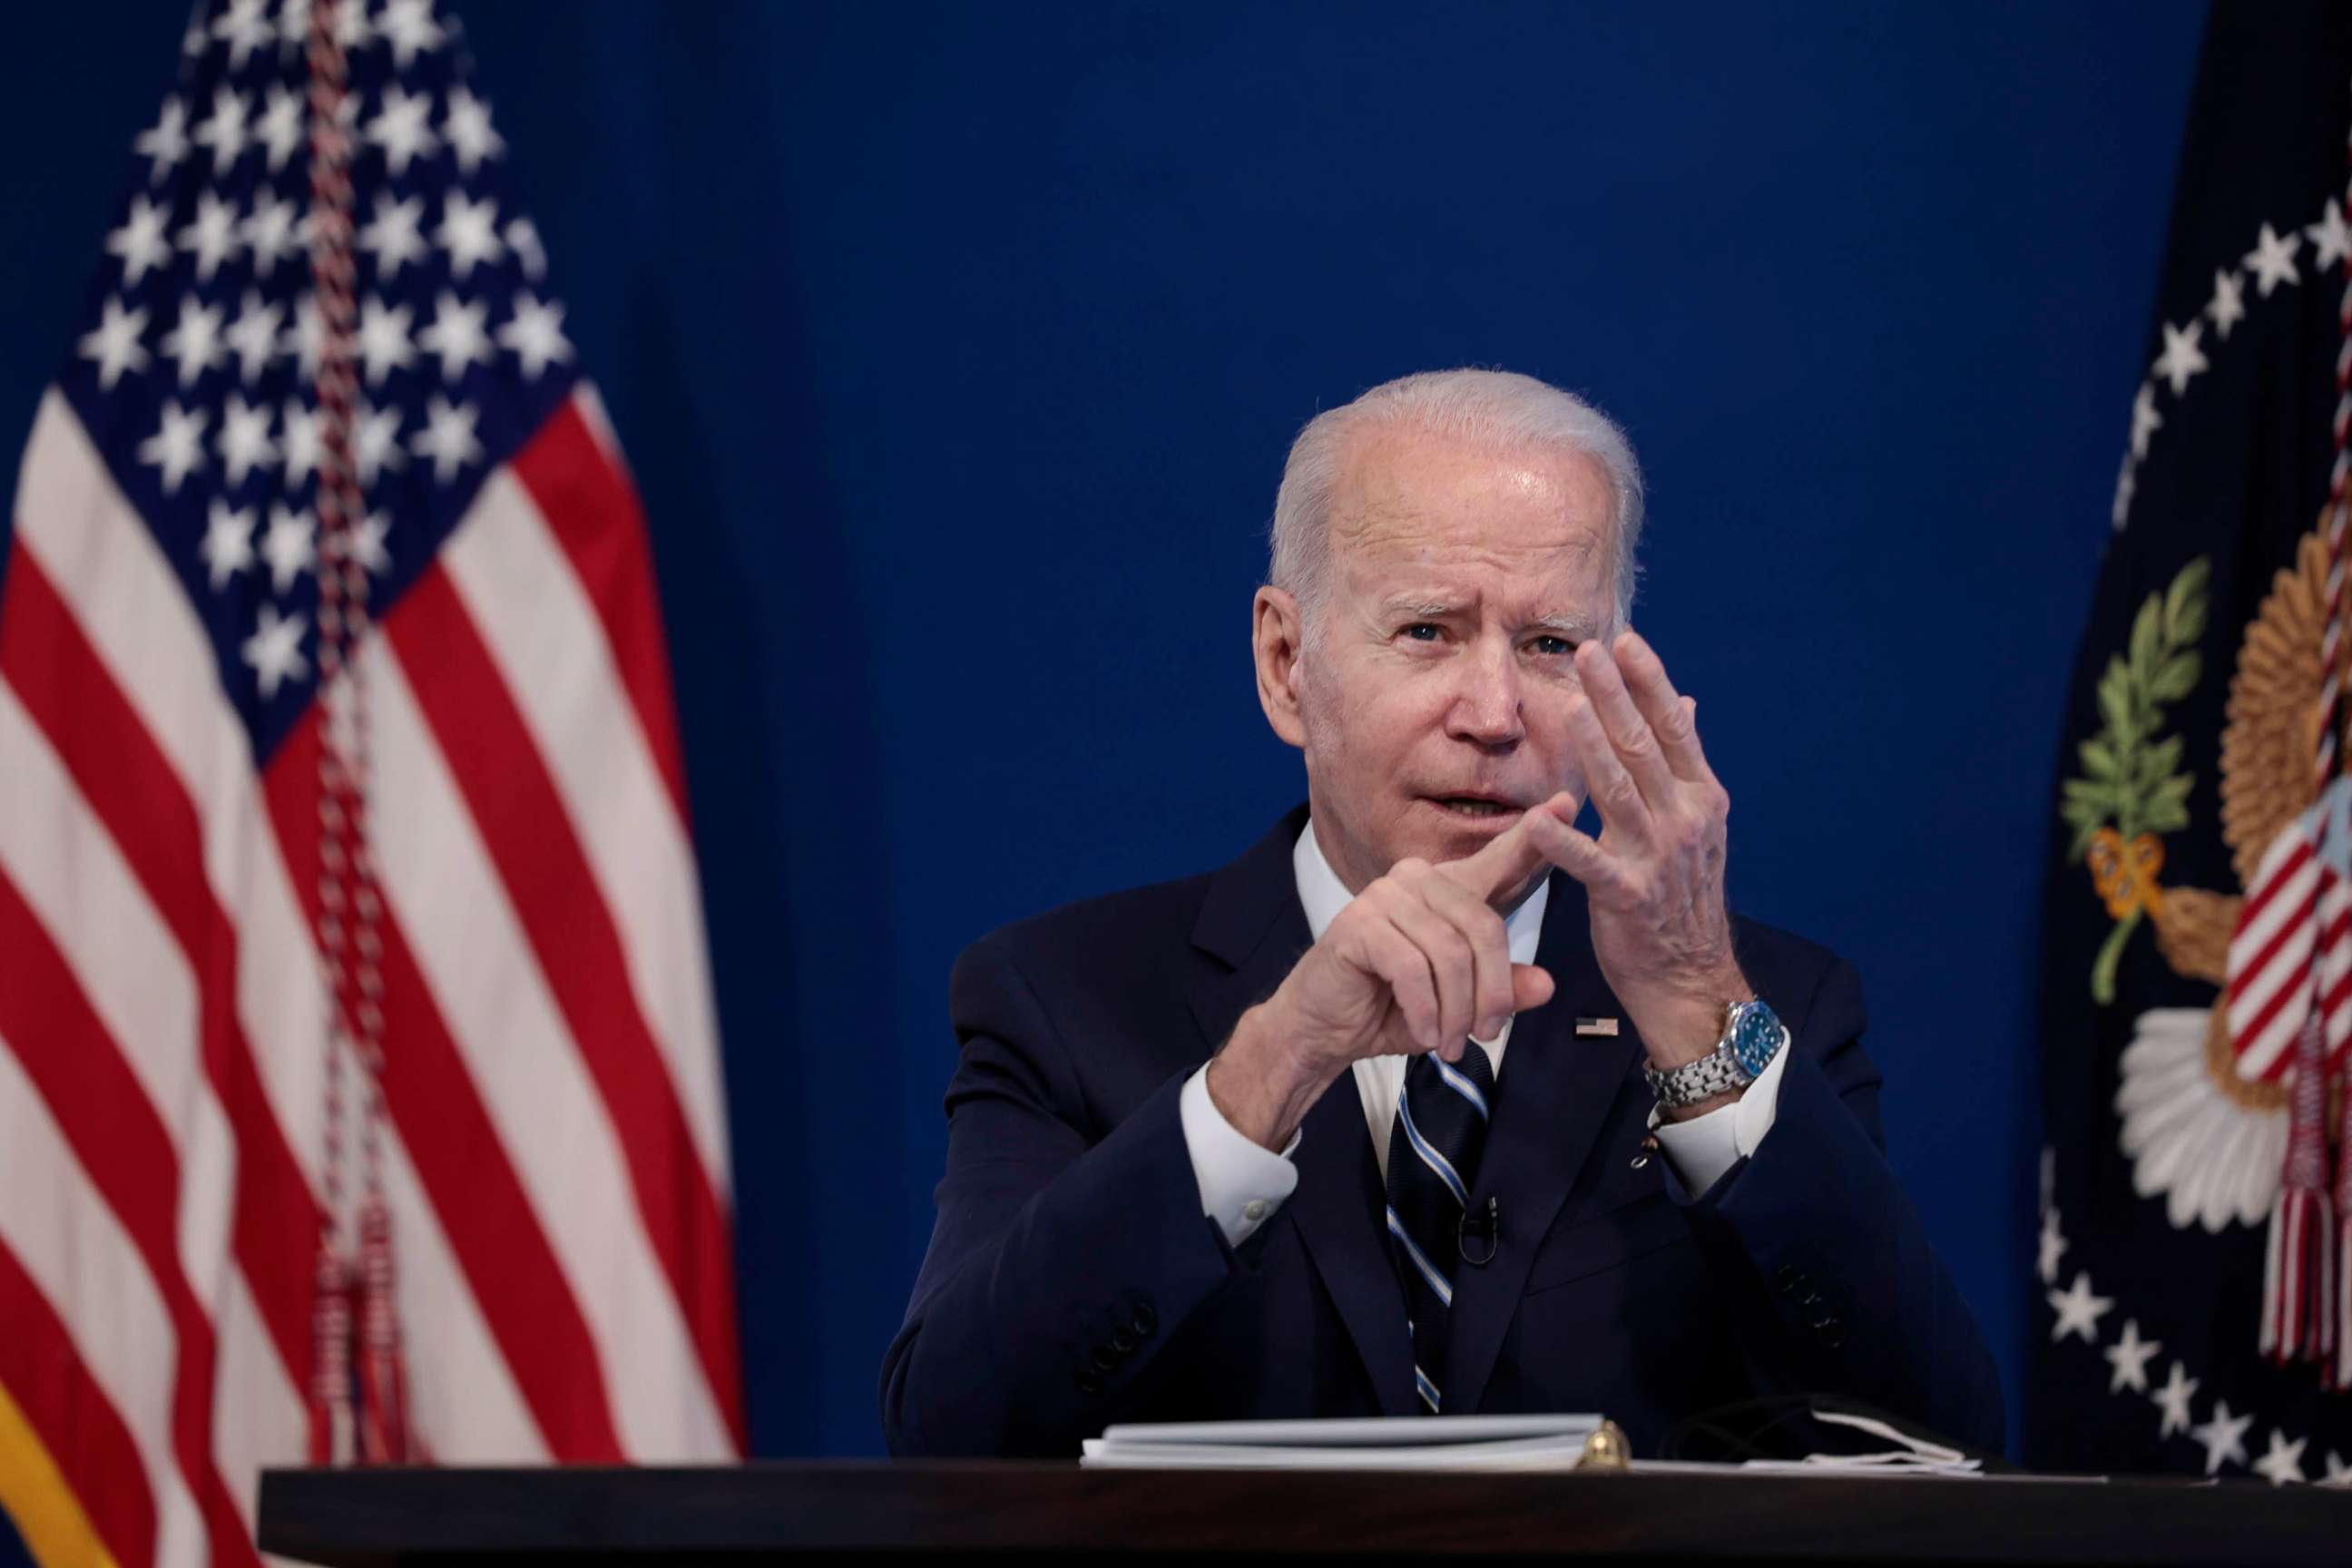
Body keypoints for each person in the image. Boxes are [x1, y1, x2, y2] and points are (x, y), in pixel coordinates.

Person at [879, 368, 2003, 1458]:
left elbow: (1942, 1447)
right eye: (1427, 632)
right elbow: (949, 1436)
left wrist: (1698, 1015)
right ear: (1285, 663)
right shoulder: (1066, 1000)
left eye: (1551, 644)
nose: (1494, 713)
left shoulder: (1769, 1008)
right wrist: (1266, 1073)